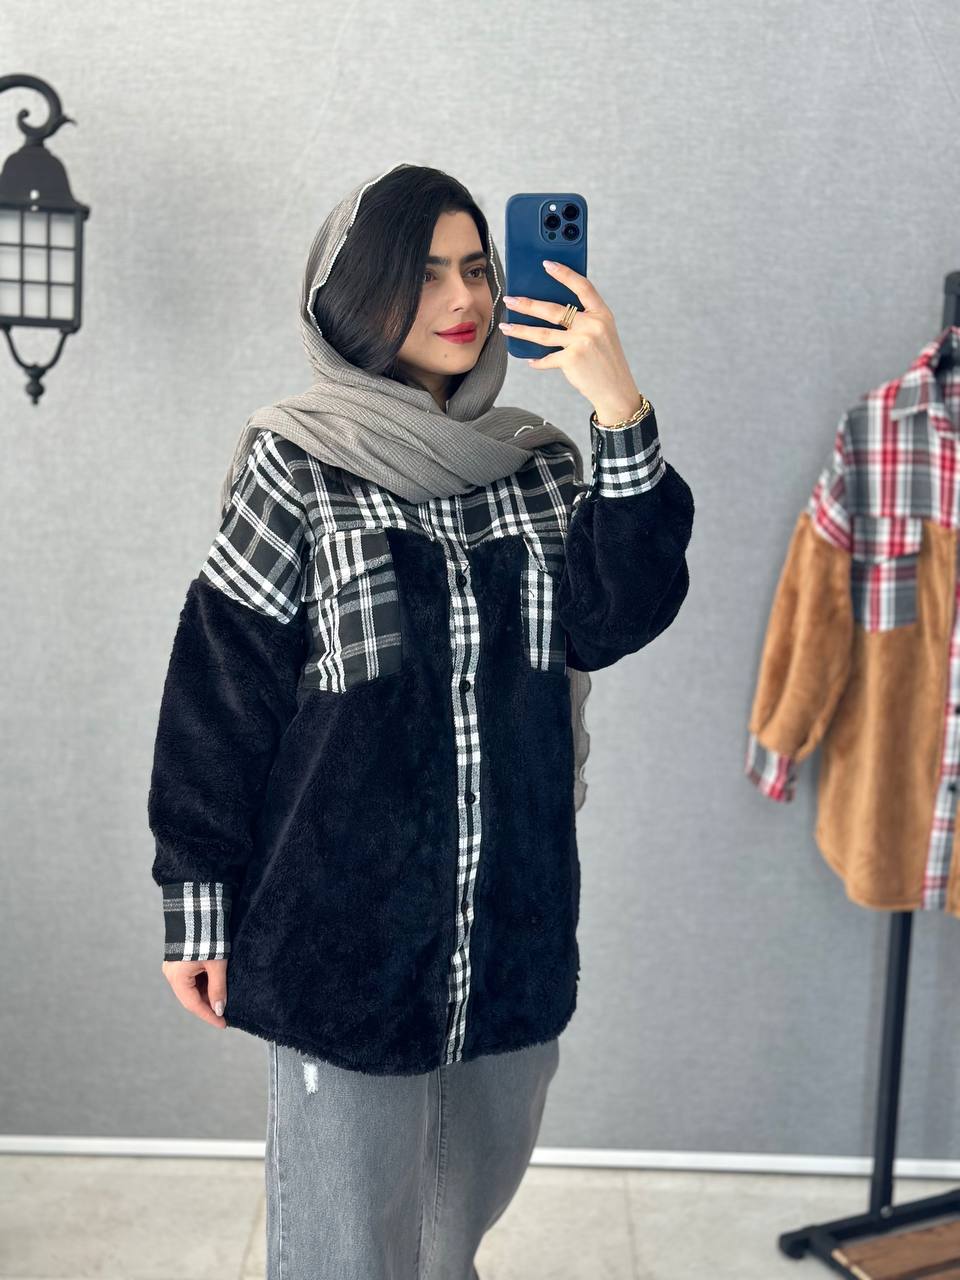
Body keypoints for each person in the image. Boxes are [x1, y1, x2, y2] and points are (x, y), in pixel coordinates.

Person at [147, 162, 694, 1278]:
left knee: (449, 1247)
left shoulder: (538, 467)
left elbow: (620, 614)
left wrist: (618, 408)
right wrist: (195, 898)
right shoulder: (297, 465)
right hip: (339, 952)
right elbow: (220, 694)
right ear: (358, 295)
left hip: (508, 938)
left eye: (478, 268)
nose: (464, 297)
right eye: (428, 272)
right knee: (344, 1256)